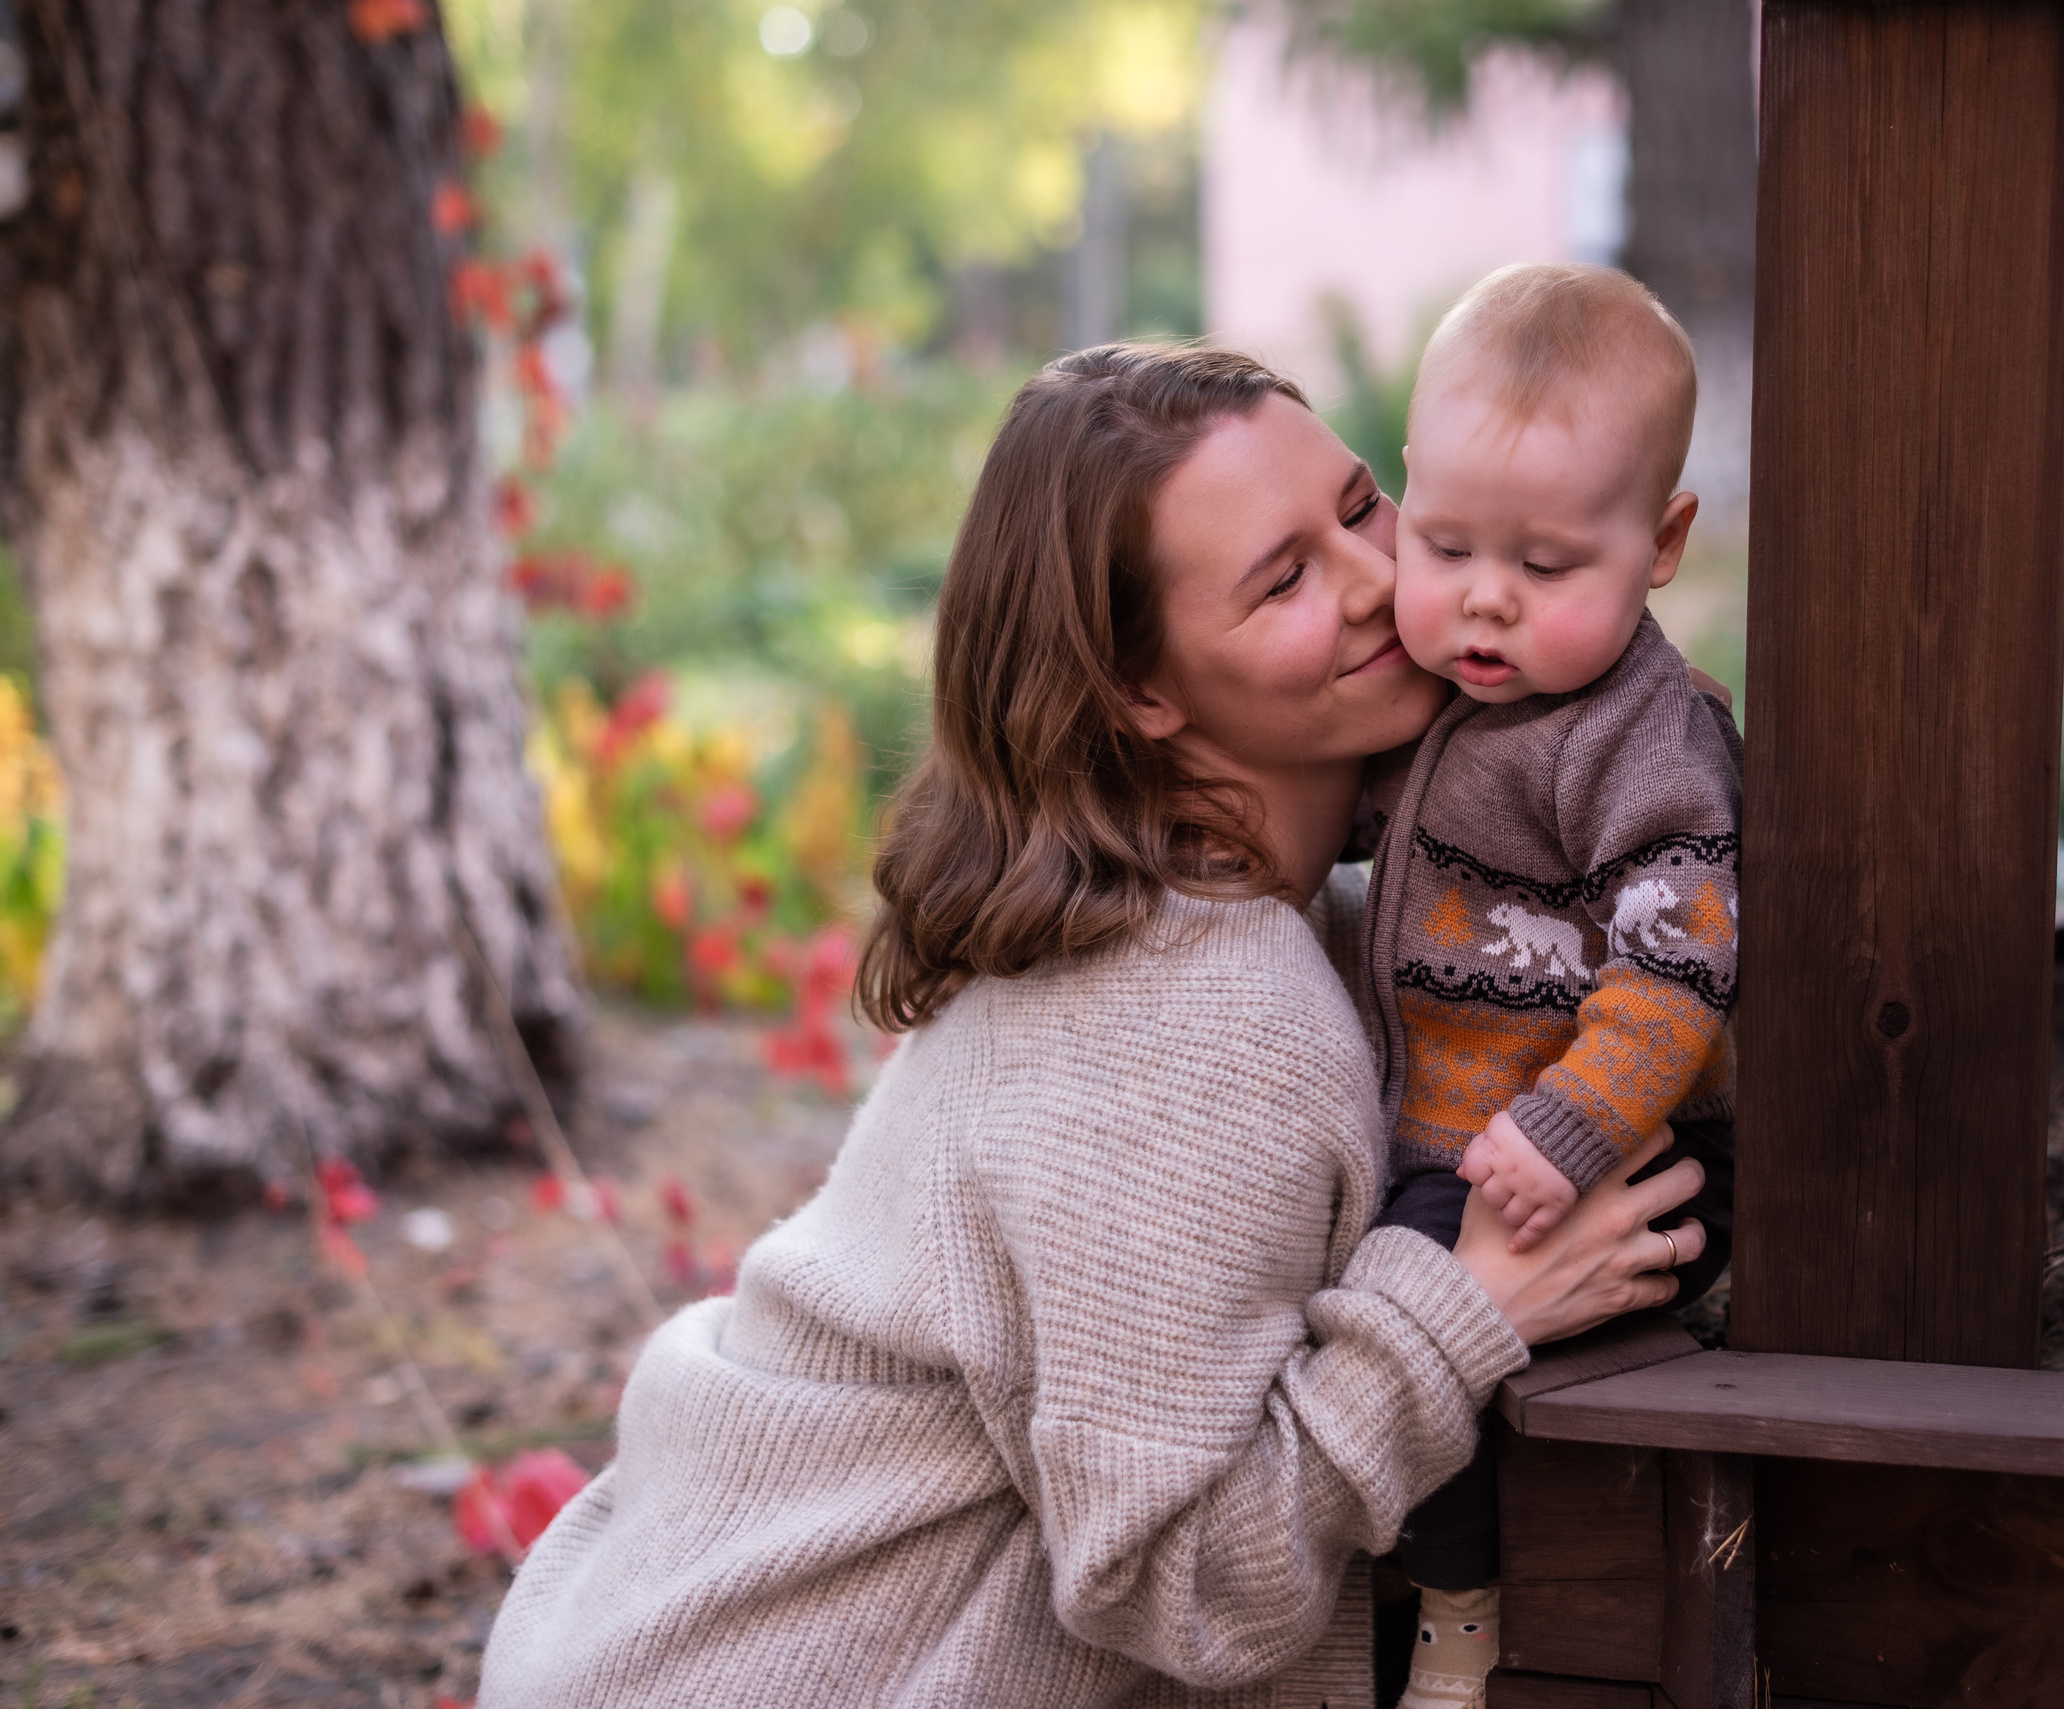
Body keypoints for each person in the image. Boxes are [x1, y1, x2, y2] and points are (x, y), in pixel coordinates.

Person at [472, 343, 1711, 1709]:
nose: (1377, 581)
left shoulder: (1219, 918)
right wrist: (1460, 1307)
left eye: (1361, 508)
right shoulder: (1198, 1022)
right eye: (1284, 577)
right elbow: (1182, 1584)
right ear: (1144, 691)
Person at [1360, 264, 1744, 1709]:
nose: (1483, 600)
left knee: (1410, 1288)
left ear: (1661, 542)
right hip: (1468, 1130)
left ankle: (1456, 1605)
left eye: (1545, 566)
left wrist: (1582, 1119)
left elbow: (1682, 950)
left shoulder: (1643, 738)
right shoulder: (1456, 696)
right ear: (1408, 491)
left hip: (1614, 1148)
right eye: (1445, 543)